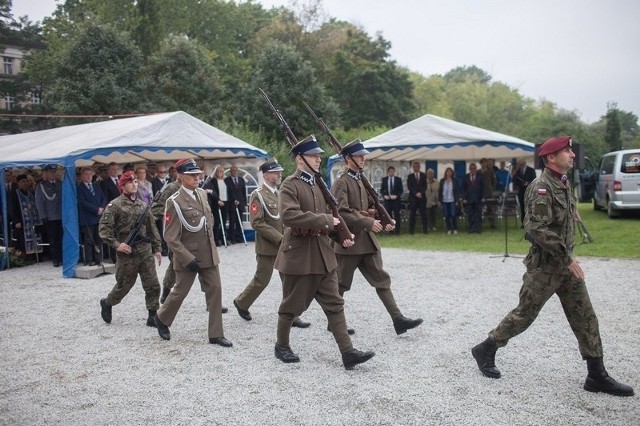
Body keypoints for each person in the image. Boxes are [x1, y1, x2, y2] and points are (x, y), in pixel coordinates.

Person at [471, 136, 634, 397]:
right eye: (566, 151)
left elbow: (558, 219)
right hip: (545, 268)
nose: (571, 154)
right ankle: (486, 349)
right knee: (523, 315)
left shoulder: (563, 184)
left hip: (565, 269)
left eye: (570, 150)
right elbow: (535, 228)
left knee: (586, 316)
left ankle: (596, 375)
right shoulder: (540, 187)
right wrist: (567, 257)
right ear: (550, 158)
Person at [273, 136, 374, 369]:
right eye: (313, 156)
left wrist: (341, 236)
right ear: (300, 159)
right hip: (299, 254)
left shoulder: (318, 185)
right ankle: (281, 345)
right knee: (292, 305)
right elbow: (289, 216)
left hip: (323, 254)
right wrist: (326, 220)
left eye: (318, 155)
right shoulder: (290, 185)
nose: (318, 159)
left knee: (335, 304)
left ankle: (348, 352)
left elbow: (334, 219)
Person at [331, 140, 423, 336]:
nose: (363, 159)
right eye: (358, 156)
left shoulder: (362, 180)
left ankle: (398, 319)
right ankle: (334, 322)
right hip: (350, 242)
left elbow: (373, 205)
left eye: (363, 156)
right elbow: (340, 212)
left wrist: (384, 219)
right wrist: (367, 222)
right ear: (348, 159)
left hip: (367, 242)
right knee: (340, 285)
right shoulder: (342, 182)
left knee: (381, 280)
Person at [154, 159, 232, 347]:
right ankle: (162, 318)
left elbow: (209, 220)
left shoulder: (202, 194)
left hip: (208, 253)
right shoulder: (174, 201)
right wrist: (187, 258)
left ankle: (216, 334)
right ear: (180, 176)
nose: (197, 177)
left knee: (215, 290)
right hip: (187, 256)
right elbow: (170, 236)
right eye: (191, 175)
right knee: (180, 292)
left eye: (197, 174)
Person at [233, 158, 310, 328]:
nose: (279, 175)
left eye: (279, 172)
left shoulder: (279, 193)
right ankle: (242, 303)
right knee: (262, 280)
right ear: (266, 175)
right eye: (276, 172)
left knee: (289, 279)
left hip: (284, 245)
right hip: (269, 246)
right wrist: (279, 238)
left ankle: (292, 315)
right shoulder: (258, 195)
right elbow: (257, 222)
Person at [98, 171, 162, 327]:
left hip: (145, 251)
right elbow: (104, 230)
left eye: (135, 181)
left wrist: (157, 248)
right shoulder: (115, 205)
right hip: (127, 253)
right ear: (122, 185)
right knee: (123, 286)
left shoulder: (143, 205)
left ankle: (152, 315)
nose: (134, 184)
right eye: (130, 182)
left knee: (153, 284)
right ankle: (107, 302)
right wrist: (117, 244)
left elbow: (152, 228)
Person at [150, 177, 182, 303]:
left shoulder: (194, 188)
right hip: (176, 233)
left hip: (195, 234)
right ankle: (167, 290)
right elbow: (156, 210)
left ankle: (212, 300)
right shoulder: (171, 188)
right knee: (175, 264)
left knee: (204, 265)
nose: (195, 177)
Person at [34, 165, 63, 267]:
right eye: (51, 172)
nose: (53, 174)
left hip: (62, 215)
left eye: (54, 172)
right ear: (46, 173)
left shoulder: (60, 184)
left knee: (62, 237)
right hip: (50, 216)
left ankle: (63, 257)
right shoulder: (41, 186)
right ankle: (55, 259)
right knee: (53, 239)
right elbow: (39, 202)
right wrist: (43, 216)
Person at [77, 167, 106, 265]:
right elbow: (82, 202)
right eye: (86, 174)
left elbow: (103, 198)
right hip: (88, 217)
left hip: (99, 217)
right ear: (82, 176)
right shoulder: (79, 188)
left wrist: (102, 208)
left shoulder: (96, 186)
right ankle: (89, 260)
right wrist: (96, 209)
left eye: (90, 174)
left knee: (99, 239)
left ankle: (99, 259)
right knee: (89, 239)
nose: (89, 176)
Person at [9, 173, 42, 256]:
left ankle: (36, 254)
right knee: (23, 239)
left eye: (26, 181)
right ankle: (27, 255)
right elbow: (12, 208)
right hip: (22, 221)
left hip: (33, 221)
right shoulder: (14, 194)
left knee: (35, 236)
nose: (25, 183)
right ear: (18, 183)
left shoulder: (30, 193)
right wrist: (16, 221)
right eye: (23, 181)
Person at [203, 165, 228, 246]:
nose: (219, 173)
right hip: (217, 202)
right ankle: (216, 239)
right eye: (218, 171)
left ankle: (224, 238)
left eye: (221, 171)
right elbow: (213, 192)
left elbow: (228, 191)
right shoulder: (213, 181)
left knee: (224, 221)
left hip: (225, 202)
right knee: (217, 222)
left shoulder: (226, 180)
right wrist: (218, 200)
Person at [224, 164, 246, 244]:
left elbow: (243, 192)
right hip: (231, 204)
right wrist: (232, 200)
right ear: (230, 172)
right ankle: (232, 238)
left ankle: (239, 237)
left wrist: (244, 203)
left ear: (238, 171)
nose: (234, 172)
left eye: (236, 170)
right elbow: (226, 193)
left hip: (240, 204)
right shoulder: (226, 180)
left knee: (240, 222)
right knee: (232, 222)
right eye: (233, 170)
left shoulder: (241, 180)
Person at [512, 157, 536, 226]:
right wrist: (515, 171)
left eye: (521, 165)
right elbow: (514, 180)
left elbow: (534, 180)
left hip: (529, 191)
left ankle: (531, 222)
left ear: (524, 164)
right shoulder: (518, 171)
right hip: (521, 191)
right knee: (522, 207)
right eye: (519, 165)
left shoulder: (531, 170)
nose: (520, 166)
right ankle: (523, 223)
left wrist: (528, 183)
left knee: (529, 207)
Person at [461, 162, 484, 233]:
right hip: (469, 199)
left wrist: (483, 197)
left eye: (474, 168)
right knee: (470, 215)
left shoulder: (480, 176)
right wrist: (464, 198)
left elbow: (483, 187)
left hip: (478, 198)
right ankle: (471, 228)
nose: (473, 170)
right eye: (471, 168)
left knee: (478, 214)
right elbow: (463, 188)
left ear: (476, 169)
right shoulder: (466, 177)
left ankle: (478, 228)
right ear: (469, 169)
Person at [380, 166, 403, 235]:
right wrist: (384, 196)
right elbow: (382, 190)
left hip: (396, 200)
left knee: (397, 216)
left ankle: (397, 231)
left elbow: (401, 190)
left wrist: (396, 196)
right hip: (388, 201)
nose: (391, 173)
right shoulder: (384, 179)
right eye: (390, 171)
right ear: (388, 172)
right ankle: (390, 231)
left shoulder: (398, 179)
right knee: (388, 216)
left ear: (394, 172)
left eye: (393, 171)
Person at [406, 161, 428, 234]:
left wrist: (420, 193)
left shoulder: (423, 175)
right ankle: (411, 231)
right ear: (413, 167)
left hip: (422, 197)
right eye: (414, 167)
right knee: (412, 214)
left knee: (424, 214)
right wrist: (415, 193)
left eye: (417, 166)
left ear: (419, 167)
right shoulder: (410, 176)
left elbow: (425, 186)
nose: (416, 168)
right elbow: (409, 187)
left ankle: (425, 230)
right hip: (413, 198)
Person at [438, 167, 460, 235]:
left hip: (452, 200)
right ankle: (449, 229)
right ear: (445, 173)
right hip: (444, 200)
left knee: (453, 215)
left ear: (452, 173)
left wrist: (457, 200)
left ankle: (455, 228)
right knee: (446, 215)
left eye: (450, 172)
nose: (449, 173)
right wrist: (439, 200)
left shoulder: (454, 180)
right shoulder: (442, 181)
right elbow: (440, 191)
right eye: (447, 171)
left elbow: (457, 191)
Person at [480, 158, 497, 228]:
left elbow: (494, 181)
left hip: (488, 193)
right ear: (480, 164)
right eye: (482, 163)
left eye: (485, 163)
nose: (484, 164)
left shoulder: (491, 171)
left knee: (490, 208)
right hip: (480, 193)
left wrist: (491, 189)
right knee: (480, 208)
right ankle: (480, 222)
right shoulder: (478, 172)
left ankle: (492, 223)